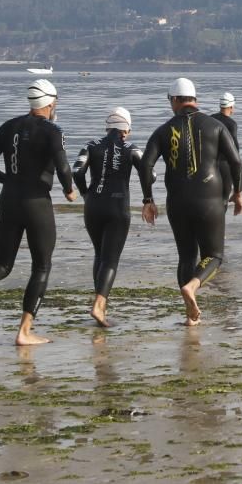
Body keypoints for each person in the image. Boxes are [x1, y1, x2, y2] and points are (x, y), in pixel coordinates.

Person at [0, 79, 77, 345]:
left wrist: (8, 181)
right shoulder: (52, 130)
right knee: (42, 266)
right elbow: (63, 166)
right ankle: (24, 332)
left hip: (9, 200)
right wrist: (69, 190)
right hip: (37, 203)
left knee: (2, 265)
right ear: (51, 102)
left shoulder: (8, 126)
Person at [140, 78, 242, 326]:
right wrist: (238, 193)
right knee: (214, 255)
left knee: (186, 256)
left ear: (175, 101)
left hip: (177, 202)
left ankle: (190, 317)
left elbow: (145, 164)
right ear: (195, 100)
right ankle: (193, 285)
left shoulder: (163, 130)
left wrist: (148, 200)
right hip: (210, 201)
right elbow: (236, 162)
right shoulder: (216, 126)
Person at [72, 107, 144, 327]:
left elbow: (76, 171)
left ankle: (100, 304)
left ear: (107, 127)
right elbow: (149, 172)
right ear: (127, 130)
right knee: (110, 259)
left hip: (93, 206)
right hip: (118, 207)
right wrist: (148, 199)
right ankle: (99, 306)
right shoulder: (131, 148)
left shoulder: (90, 146)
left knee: (100, 254)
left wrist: (85, 193)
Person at [211, 92, 239, 208]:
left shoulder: (210, 119)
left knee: (210, 196)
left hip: (209, 163)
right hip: (224, 165)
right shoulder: (231, 124)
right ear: (231, 106)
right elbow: (235, 148)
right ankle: (219, 223)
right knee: (224, 198)